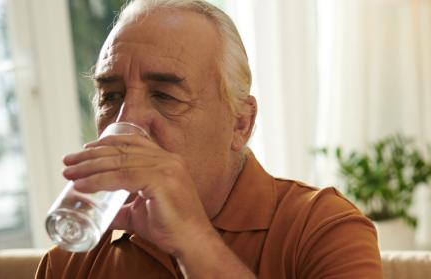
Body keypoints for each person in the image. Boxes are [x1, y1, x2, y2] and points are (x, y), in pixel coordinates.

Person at [35, 0, 383, 278]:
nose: (127, 120)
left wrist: (193, 241)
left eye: (165, 96)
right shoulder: (73, 259)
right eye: (111, 96)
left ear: (241, 124)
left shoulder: (321, 228)